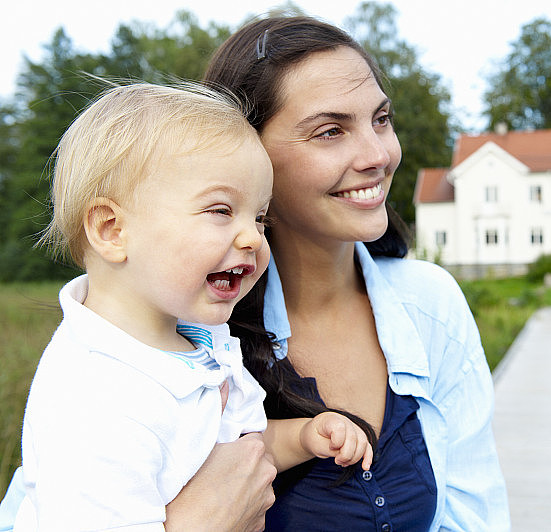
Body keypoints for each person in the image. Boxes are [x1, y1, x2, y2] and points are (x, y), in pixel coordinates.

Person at [11, 82, 372, 531]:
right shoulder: (95, 401)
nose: (253, 238)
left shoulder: (197, 344)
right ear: (111, 230)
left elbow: (237, 451)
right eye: (221, 210)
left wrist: (303, 436)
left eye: (259, 217)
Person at [200, 16, 511, 531]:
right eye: (330, 131)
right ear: (246, 155)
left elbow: (475, 515)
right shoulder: (188, 333)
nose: (379, 155)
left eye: (381, 119)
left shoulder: (431, 301)